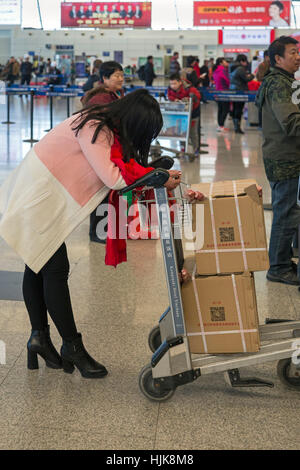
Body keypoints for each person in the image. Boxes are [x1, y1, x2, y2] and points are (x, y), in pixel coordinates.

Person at [0, 89, 182, 378]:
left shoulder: (102, 125)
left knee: (37, 266)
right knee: (55, 270)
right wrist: (151, 176)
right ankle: (71, 346)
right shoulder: (95, 127)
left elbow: (120, 167)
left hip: (41, 197)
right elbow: (114, 177)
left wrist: (150, 172)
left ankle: (39, 339)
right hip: (37, 199)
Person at [256, 36, 300, 286]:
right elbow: (291, 123)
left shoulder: (284, 82)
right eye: (292, 52)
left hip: (288, 157)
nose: (298, 56)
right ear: (278, 59)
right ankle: (279, 267)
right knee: (286, 213)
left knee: (290, 211)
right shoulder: (279, 85)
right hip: (286, 160)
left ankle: (284, 258)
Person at [81, 61, 125, 244]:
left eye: (122, 75)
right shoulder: (100, 99)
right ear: (105, 78)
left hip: (107, 147)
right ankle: (97, 232)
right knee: (102, 191)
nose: (121, 78)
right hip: (99, 149)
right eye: (116, 75)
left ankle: (105, 229)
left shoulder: (110, 95)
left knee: (108, 190)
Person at [168, 73, 201, 155]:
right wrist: (174, 99)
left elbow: (198, 97)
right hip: (180, 114)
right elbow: (169, 96)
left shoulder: (189, 88)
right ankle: (182, 149)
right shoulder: (170, 89)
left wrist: (190, 99)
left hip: (193, 113)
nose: (173, 86)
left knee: (193, 132)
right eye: (171, 84)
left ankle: (196, 149)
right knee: (181, 132)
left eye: (174, 83)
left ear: (180, 82)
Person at [229, 54, 254, 134]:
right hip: (240, 90)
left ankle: (236, 126)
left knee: (236, 108)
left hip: (233, 89)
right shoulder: (240, 68)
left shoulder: (232, 66)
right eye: (245, 61)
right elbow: (246, 79)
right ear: (241, 61)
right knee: (239, 109)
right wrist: (253, 75)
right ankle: (237, 127)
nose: (246, 63)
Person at [212, 57, 230, 132]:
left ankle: (220, 125)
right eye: (225, 61)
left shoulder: (215, 70)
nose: (227, 63)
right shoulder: (223, 70)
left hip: (217, 91)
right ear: (221, 63)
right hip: (224, 92)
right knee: (225, 109)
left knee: (220, 109)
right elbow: (227, 80)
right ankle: (221, 125)